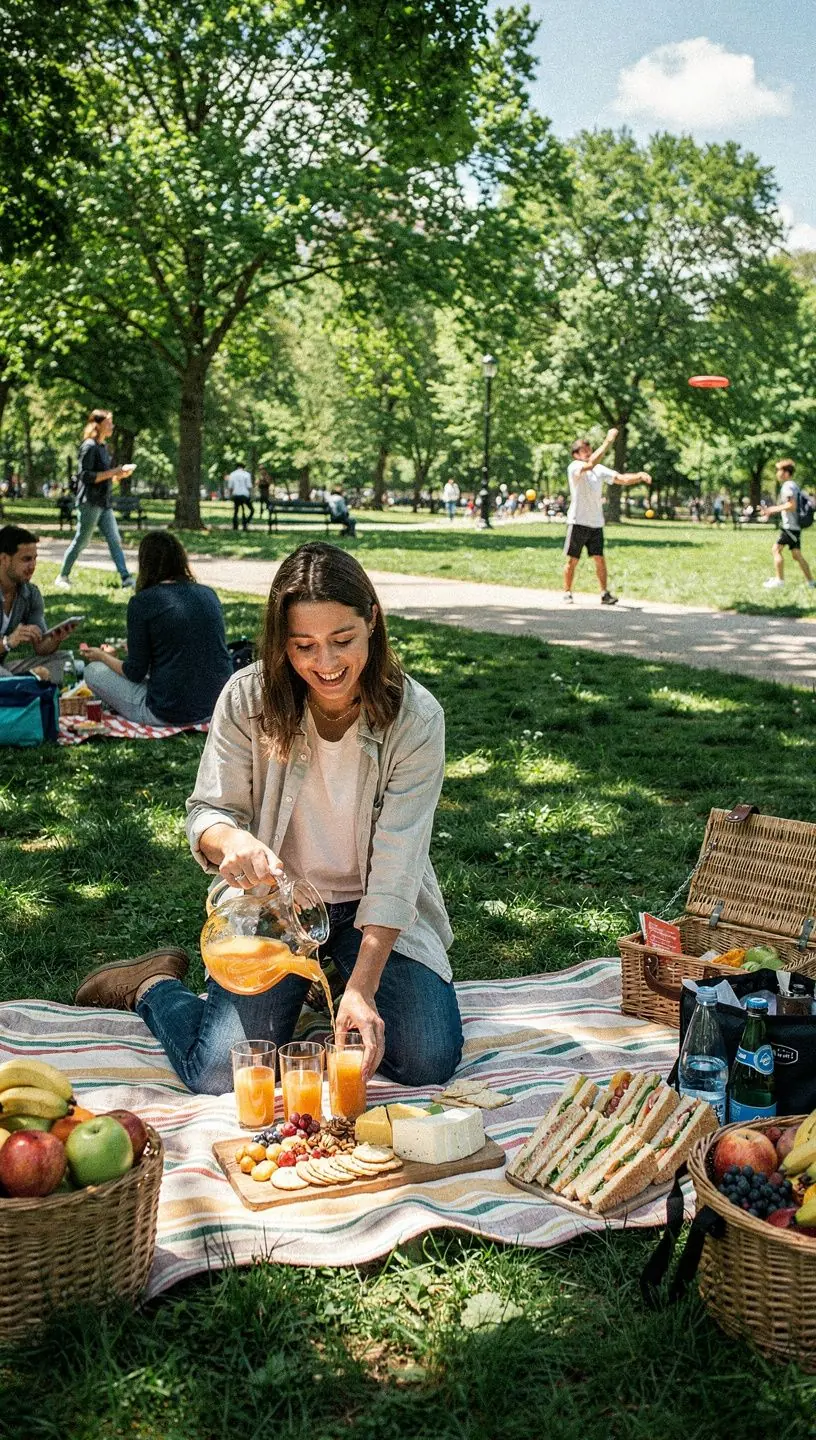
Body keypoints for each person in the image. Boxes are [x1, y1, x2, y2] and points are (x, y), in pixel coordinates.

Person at [74, 542, 463, 1093]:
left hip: (375, 912)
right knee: (219, 1072)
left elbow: (399, 865)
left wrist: (362, 987)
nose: (325, 665)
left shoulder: (416, 718)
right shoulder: (246, 697)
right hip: (275, 909)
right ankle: (154, 986)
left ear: (372, 621)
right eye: (304, 646)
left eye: (342, 641)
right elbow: (207, 812)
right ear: (282, 642)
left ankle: (324, 988)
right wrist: (229, 840)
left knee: (427, 1057)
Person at [80, 530, 233, 725]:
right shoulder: (208, 594)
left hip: (169, 711)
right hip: (218, 706)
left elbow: (135, 672)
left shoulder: (142, 602)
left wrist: (103, 657)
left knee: (93, 671)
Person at [563, 430, 651, 605]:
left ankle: (604, 594)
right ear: (576, 454)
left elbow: (621, 478)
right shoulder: (575, 467)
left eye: (589, 449)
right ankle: (567, 592)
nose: (588, 452)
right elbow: (589, 464)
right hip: (578, 521)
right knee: (572, 560)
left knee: (600, 559)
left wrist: (639, 476)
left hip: (596, 523)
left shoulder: (599, 469)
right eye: (584, 450)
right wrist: (608, 441)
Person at [54, 409, 134, 591]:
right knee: (82, 540)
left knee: (115, 539)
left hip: (103, 503)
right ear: (98, 425)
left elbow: (105, 477)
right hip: (89, 502)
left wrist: (119, 475)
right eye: (109, 423)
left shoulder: (103, 447)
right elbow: (86, 476)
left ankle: (126, 578)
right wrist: (114, 471)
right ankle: (63, 576)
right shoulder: (89, 446)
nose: (112, 426)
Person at [0, 525, 74, 683]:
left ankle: (19, 686)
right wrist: (8, 642)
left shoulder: (30, 594)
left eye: (35, 558)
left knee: (64, 661)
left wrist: (56, 638)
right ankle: (20, 686)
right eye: (26, 559)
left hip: (3, 669)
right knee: (6, 678)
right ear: (4, 559)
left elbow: (41, 648)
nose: (33, 566)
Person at [762, 459, 816, 591]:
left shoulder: (788, 486)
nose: (777, 473)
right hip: (794, 526)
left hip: (790, 526)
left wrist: (771, 510)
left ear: (786, 473)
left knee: (776, 550)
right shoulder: (793, 485)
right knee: (796, 554)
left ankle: (779, 581)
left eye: (779, 470)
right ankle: (811, 582)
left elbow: (791, 506)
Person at [225, 464, 254, 531]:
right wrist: (251, 495)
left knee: (236, 511)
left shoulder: (232, 474)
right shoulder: (246, 474)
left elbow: (230, 487)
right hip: (244, 495)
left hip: (236, 495)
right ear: (243, 467)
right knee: (251, 510)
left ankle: (235, 526)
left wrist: (230, 495)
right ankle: (245, 522)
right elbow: (249, 486)